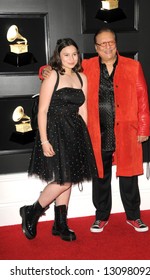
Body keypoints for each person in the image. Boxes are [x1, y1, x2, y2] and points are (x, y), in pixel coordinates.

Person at [39, 27, 150, 233]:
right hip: (96, 132)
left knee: (129, 176)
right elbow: (63, 68)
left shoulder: (133, 66)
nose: (107, 47)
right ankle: (101, 216)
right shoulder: (86, 66)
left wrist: (144, 127)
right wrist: (44, 70)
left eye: (111, 42)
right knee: (100, 176)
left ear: (116, 43)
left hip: (126, 132)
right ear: (96, 47)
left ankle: (134, 216)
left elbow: (143, 99)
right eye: (102, 44)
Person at [20, 38, 97, 242]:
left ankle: (60, 225)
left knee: (67, 177)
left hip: (75, 132)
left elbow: (83, 109)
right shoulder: (52, 75)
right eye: (66, 55)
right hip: (55, 131)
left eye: (74, 54)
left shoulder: (82, 78)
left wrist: (84, 138)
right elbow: (43, 111)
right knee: (65, 179)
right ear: (58, 57)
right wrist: (44, 141)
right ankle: (32, 211)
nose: (71, 58)